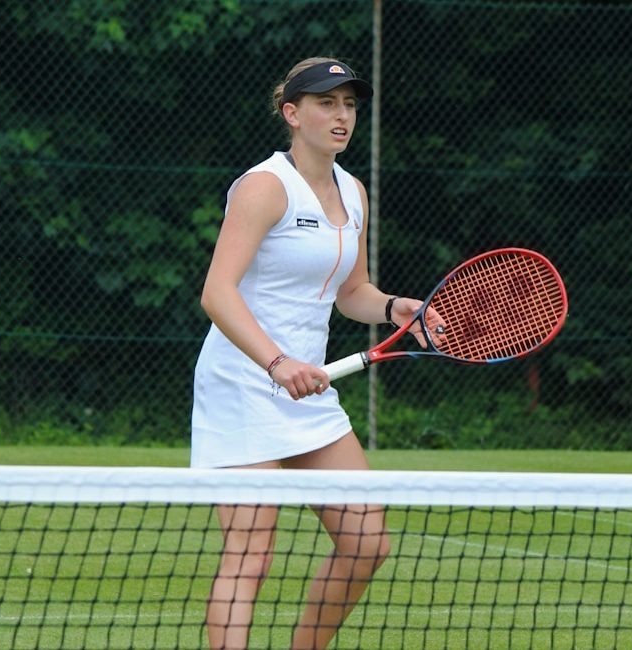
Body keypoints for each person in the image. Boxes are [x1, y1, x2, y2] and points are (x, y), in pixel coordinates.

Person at [191, 56, 437, 650]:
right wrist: (277, 362)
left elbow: (351, 292)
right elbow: (216, 294)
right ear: (292, 114)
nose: (342, 115)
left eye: (350, 104)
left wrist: (392, 307)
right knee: (250, 555)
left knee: (367, 544)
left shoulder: (353, 192)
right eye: (327, 103)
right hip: (244, 383)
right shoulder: (264, 187)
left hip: (312, 388)